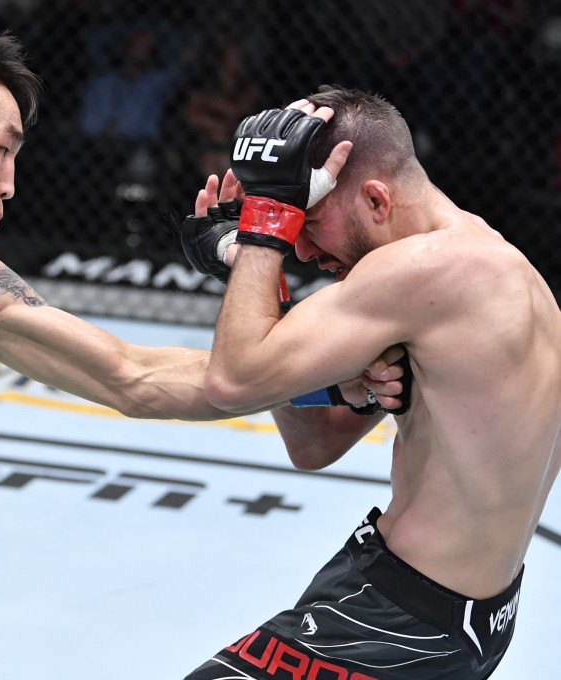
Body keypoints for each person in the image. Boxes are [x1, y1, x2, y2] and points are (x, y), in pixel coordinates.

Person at [180, 86, 561, 679]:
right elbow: (314, 444)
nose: (300, 249)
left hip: (399, 620)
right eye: (290, 224)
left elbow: (232, 382)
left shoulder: (425, 271)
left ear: (376, 199)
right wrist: (258, 275)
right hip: (451, 614)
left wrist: (259, 234)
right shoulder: (482, 268)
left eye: (307, 219)